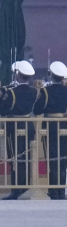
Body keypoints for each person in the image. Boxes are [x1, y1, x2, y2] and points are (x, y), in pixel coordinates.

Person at [0, 60, 37, 200]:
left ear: (17, 75)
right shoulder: (33, 91)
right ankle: (26, 187)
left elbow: (0, 110)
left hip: (14, 125)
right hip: (28, 124)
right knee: (26, 157)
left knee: (14, 157)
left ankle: (17, 189)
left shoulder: (11, 92)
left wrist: (2, 95)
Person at [33, 61, 67, 200]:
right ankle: (61, 190)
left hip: (51, 126)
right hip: (64, 125)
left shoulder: (46, 91)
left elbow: (37, 110)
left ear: (50, 75)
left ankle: (53, 190)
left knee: (52, 157)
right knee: (63, 158)